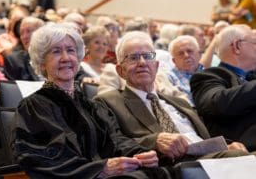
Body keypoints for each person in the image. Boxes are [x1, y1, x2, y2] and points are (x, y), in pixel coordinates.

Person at [11, 23, 168, 179]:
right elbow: (41, 159)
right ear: (42, 62)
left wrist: (141, 154)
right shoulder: (33, 108)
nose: (66, 58)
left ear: (79, 59)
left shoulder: (93, 107)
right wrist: (99, 169)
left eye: (71, 50)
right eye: (56, 51)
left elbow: (117, 141)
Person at [95, 31, 248, 166]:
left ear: (156, 66)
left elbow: (205, 135)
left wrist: (227, 145)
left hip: (209, 155)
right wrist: (154, 141)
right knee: (239, 158)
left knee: (242, 153)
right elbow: (112, 142)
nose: (142, 63)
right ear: (120, 70)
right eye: (133, 58)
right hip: (170, 164)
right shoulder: (109, 101)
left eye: (147, 57)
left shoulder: (178, 102)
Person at [190, 24, 256, 151]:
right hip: (241, 150)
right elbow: (217, 103)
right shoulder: (208, 76)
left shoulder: (252, 77)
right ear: (237, 46)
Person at [3, 16, 44, 80]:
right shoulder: (14, 61)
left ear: (42, 33)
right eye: (21, 33)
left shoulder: (55, 57)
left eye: (29, 31)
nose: (24, 37)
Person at [167, 35, 203, 105]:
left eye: (189, 51)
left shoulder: (210, 73)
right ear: (174, 61)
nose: (186, 55)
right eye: (180, 53)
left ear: (199, 54)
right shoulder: (169, 78)